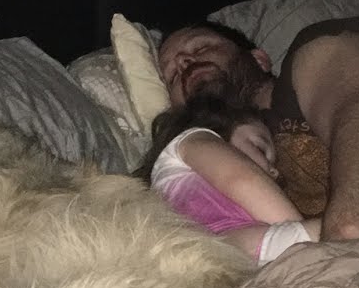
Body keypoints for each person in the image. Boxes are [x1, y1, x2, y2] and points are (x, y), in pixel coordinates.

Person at [155, 18, 359, 241]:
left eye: (200, 49)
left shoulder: (314, 51)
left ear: (259, 59)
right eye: (171, 76)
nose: (184, 64)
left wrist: (341, 242)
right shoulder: (207, 160)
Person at [137, 92, 320, 264]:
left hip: (239, 258)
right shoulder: (188, 142)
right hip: (227, 249)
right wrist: (300, 231)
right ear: (218, 129)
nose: (275, 172)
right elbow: (243, 180)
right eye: (260, 149)